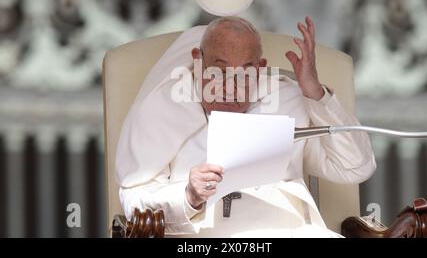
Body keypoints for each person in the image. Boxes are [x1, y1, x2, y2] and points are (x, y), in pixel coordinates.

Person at [115, 16, 376, 237]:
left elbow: (355, 167)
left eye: (245, 73)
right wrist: (188, 196)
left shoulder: (289, 101)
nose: (231, 86)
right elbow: (134, 199)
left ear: (260, 68)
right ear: (198, 61)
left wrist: (316, 93)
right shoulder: (164, 107)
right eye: (221, 71)